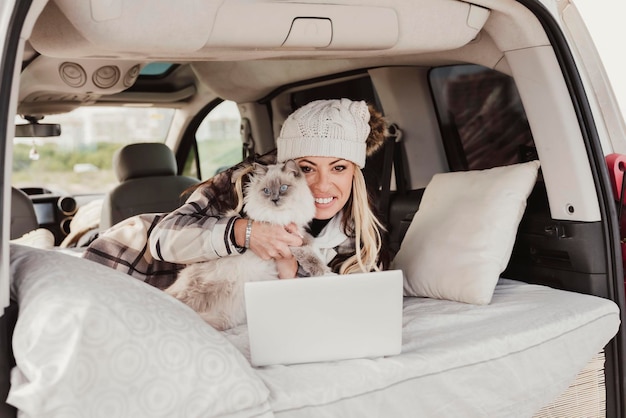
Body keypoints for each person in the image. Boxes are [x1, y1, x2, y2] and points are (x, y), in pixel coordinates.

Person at [83, 98, 388, 289]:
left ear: (354, 172)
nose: (322, 185)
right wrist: (244, 233)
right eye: (307, 168)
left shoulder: (357, 235)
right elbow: (163, 238)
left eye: (338, 168)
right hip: (131, 264)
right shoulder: (241, 186)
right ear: (287, 169)